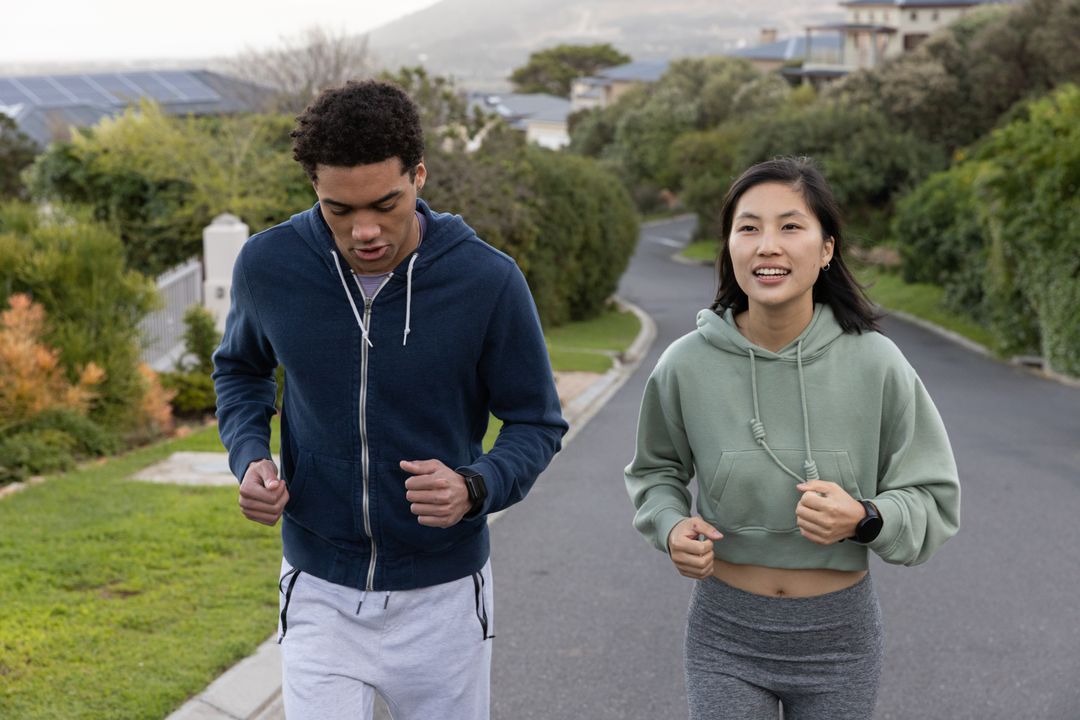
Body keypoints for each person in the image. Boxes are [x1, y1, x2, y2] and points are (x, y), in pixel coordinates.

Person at [212, 79, 568, 720]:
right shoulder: (269, 265)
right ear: (314, 189)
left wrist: (476, 485)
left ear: (419, 176)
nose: (365, 231)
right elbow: (240, 370)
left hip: (444, 596)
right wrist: (249, 456)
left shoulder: (487, 280)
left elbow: (536, 421)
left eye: (386, 203)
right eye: (339, 210)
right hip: (319, 588)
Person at [624, 157, 960, 719]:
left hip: (839, 640)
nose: (767, 246)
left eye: (790, 226)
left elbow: (934, 496)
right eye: (748, 228)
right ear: (729, 247)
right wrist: (671, 524)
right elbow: (655, 471)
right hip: (724, 633)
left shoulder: (877, 362)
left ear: (826, 248)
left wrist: (865, 518)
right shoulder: (685, 363)